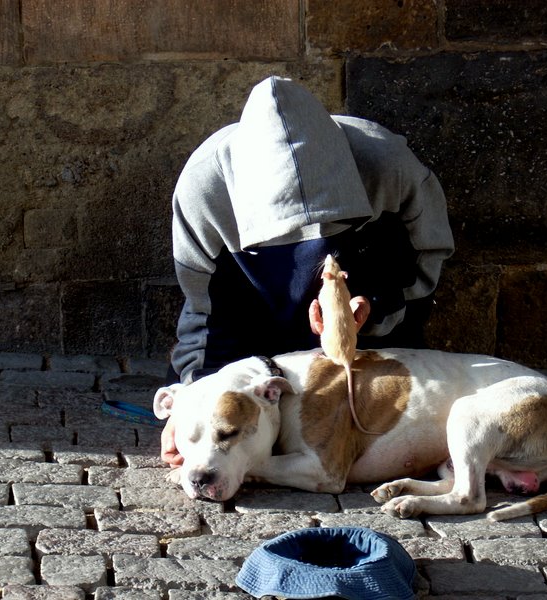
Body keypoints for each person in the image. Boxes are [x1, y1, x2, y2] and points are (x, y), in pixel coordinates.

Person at [162, 76, 454, 466]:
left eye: (329, 222)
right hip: (255, 343)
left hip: (370, 342)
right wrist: (195, 403)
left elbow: (425, 266)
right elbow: (207, 314)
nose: (315, 236)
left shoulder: (392, 169)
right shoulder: (203, 191)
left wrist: (377, 312)